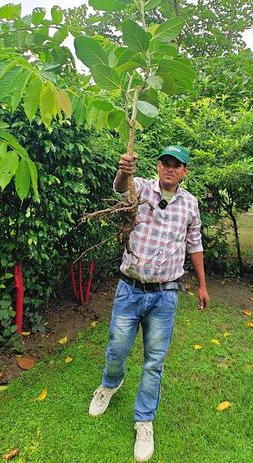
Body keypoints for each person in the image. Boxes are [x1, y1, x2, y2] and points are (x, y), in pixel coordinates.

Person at [89, 145, 210, 463]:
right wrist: (124, 171)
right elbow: (120, 189)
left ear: (184, 171)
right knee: (117, 349)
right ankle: (109, 385)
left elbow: (194, 243)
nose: (170, 168)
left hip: (165, 295)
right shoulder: (140, 186)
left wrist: (202, 285)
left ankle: (144, 421)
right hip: (129, 289)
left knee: (154, 362)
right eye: (165, 163)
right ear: (158, 166)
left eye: (177, 165)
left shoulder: (190, 205)